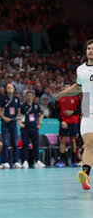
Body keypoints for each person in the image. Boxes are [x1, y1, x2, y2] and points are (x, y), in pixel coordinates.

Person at [53, 39, 93, 191]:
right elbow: (78, 87)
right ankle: (85, 177)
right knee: (89, 144)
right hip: (88, 109)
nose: (90, 50)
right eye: (88, 48)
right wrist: (62, 94)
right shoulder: (81, 69)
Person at [18, 91, 46, 169]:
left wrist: (39, 124)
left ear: (33, 96)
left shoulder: (36, 106)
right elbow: (18, 116)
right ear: (25, 97)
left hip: (34, 127)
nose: (29, 97)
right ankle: (25, 161)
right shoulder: (22, 106)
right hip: (25, 128)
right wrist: (20, 124)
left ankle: (37, 161)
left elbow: (39, 115)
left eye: (31, 95)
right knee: (25, 144)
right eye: (28, 95)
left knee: (36, 144)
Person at [55, 83, 81, 167]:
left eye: (68, 87)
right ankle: (62, 161)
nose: (67, 89)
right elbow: (56, 112)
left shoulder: (76, 98)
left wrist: (72, 112)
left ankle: (73, 161)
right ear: (63, 89)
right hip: (64, 123)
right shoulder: (59, 98)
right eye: (65, 87)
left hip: (73, 122)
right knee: (62, 141)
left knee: (73, 141)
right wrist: (62, 121)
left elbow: (80, 110)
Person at [0, 83, 22, 169]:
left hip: (13, 123)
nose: (10, 89)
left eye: (11, 88)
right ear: (6, 89)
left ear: (14, 89)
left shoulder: (16, 99)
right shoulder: (2, 99)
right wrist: (4, 117)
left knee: (15, 143)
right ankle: (5, 162)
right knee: (6, 143)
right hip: (5, 123)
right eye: (8, 88)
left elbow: (19, 110)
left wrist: (16, 117)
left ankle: (15, 161)